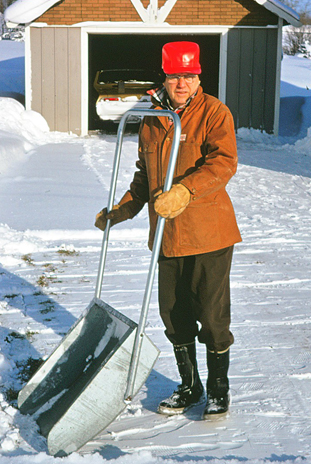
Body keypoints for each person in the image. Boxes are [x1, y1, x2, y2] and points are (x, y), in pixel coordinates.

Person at [94, 41, 241, 420]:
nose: (182, 83)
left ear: (199, 77)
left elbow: (224, 163)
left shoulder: (213, 113)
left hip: (209, 233)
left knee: (211, 317)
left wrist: (185, 190)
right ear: (165, 76)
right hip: (168, 236)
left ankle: (218, 391)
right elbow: (145, 177)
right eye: (176, 75)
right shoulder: (153, 117)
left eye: (189, 76)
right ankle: (190, 387)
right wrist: (122, 210)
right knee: (174, 315)